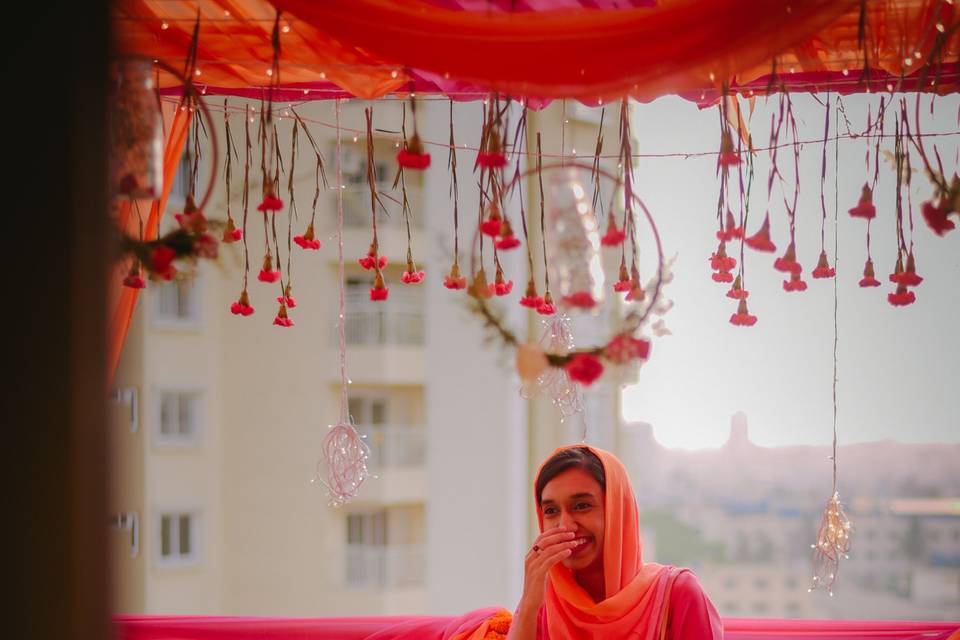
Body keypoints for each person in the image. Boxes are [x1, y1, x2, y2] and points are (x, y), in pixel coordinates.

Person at [507, 444, 723, 640]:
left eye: (582, 506)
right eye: (551, 511)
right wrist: (527, 606)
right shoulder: (544, 603)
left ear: (617, 510)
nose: (564, 526)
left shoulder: (677, 594)